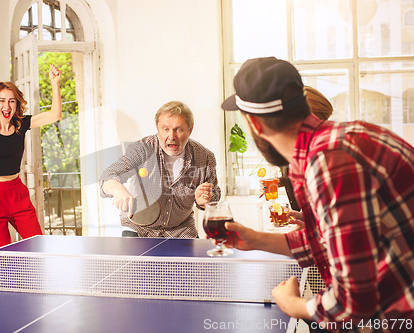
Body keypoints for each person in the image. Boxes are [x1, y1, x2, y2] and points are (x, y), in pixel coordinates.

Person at [220, 57, 414, 332]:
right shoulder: (342, 139)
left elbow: (351, 306)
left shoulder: (328, 163)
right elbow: (337, 242)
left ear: (256, 124)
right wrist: (256, 240)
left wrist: (293, 305)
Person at [0, 64, 62, 249]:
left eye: (11, 101)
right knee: (3, 252)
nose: (6, 105)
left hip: (17, 193)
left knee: (38, 244)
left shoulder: (22, 124)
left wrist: (54, 83)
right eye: (1, 101)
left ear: (17, 105)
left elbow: (55, 114)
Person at [100, 101, 221, 238]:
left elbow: (215, 194)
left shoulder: (205, 157)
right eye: (165, 129)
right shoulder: (140, 150)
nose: (171, 136)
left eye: (178, 129)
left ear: (190, 130)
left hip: (181, 230)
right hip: (138, 229)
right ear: (157, 128)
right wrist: (118, 190)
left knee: (195, 260)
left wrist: (205, 200)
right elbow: (107, 176)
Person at [263, 85, 334, 230]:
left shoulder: (326, 156)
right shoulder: (308, 152)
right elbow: (327, 213)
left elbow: (340, 228)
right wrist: (306, 218)